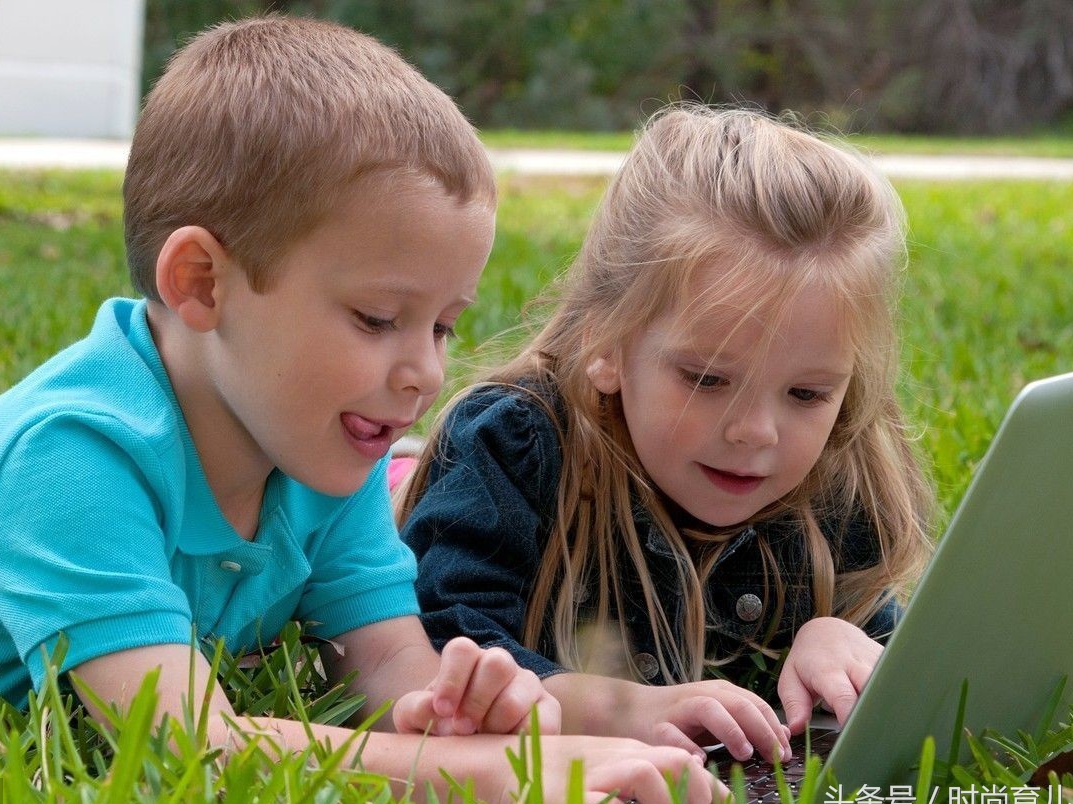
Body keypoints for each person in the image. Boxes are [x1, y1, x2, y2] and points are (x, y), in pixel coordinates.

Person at [0, 18, 723, 804]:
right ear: (203, 284)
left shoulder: (324, 444)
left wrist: (455, 717)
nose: (426, 372)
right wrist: (480, 781)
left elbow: (387, 665)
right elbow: (185, 750)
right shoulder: (68, 463)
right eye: (377, 319)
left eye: (443, 326)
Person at [398, 105, 935, 764]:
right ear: (607, 340)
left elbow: (910, 680)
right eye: (707, 378)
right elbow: (436, 645)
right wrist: (617, 710)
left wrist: (844, 643)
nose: (755, 432)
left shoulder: (837, 466)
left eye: (806, 394)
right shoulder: (515, 443)